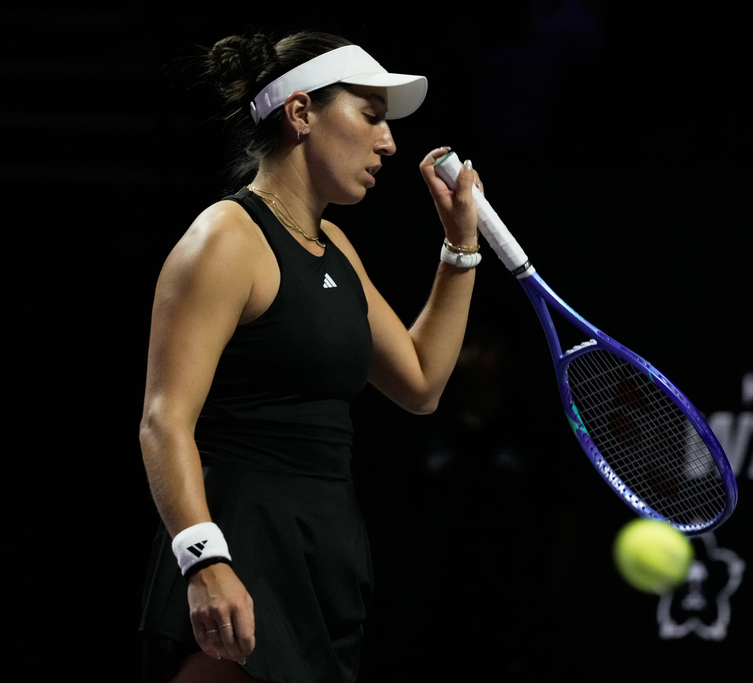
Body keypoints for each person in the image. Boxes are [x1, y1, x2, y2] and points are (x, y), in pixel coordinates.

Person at [138, 29, 482, 683]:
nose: (388, 142)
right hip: (238, 544)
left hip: (325, 554)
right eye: (371, 116)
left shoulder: (337, 249)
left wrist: (459, 248)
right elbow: (164, 420)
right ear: (300, 113)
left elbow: (421, 383)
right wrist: (205, 559)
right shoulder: (225, 239)